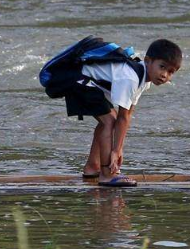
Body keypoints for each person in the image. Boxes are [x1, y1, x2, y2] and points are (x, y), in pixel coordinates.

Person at [56, 38, 182, 187]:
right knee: (109, 121)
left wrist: (118, 148)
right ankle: (107, 174)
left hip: (84, 81)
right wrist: (116, 151)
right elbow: (122, 117)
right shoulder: (130, 78)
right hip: (75, 80)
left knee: (110, 119)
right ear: (148, 61)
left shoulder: (143, 79)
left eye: (170, 72)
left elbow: (127, 115)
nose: (164, 75)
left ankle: (92, 167)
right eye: (162, 67)